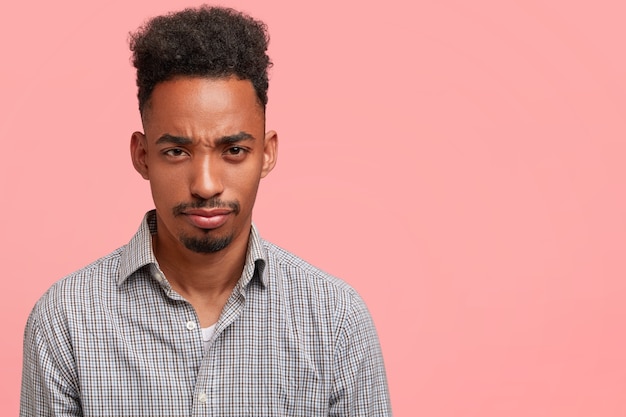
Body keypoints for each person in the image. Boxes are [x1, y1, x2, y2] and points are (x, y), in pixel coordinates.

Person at [20, 5, 391, 417]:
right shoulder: (66, 322)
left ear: (266, 154)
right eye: (177, 151)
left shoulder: (335, 320)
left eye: (234, 150)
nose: (206, 185)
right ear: (142, 156)